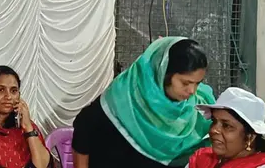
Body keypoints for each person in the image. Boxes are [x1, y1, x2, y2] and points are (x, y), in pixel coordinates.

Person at [72, 37, 216, 168]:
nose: (192, 91)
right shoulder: (123, 98)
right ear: (163, 72)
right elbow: (83, 131)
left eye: (197, 83)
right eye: (185, 82)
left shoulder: (195, 112)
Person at [187, 87, 265, 168]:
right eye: (214, 121)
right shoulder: (202, 159)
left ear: (250, 137)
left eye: (227, 126)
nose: (214, 129)